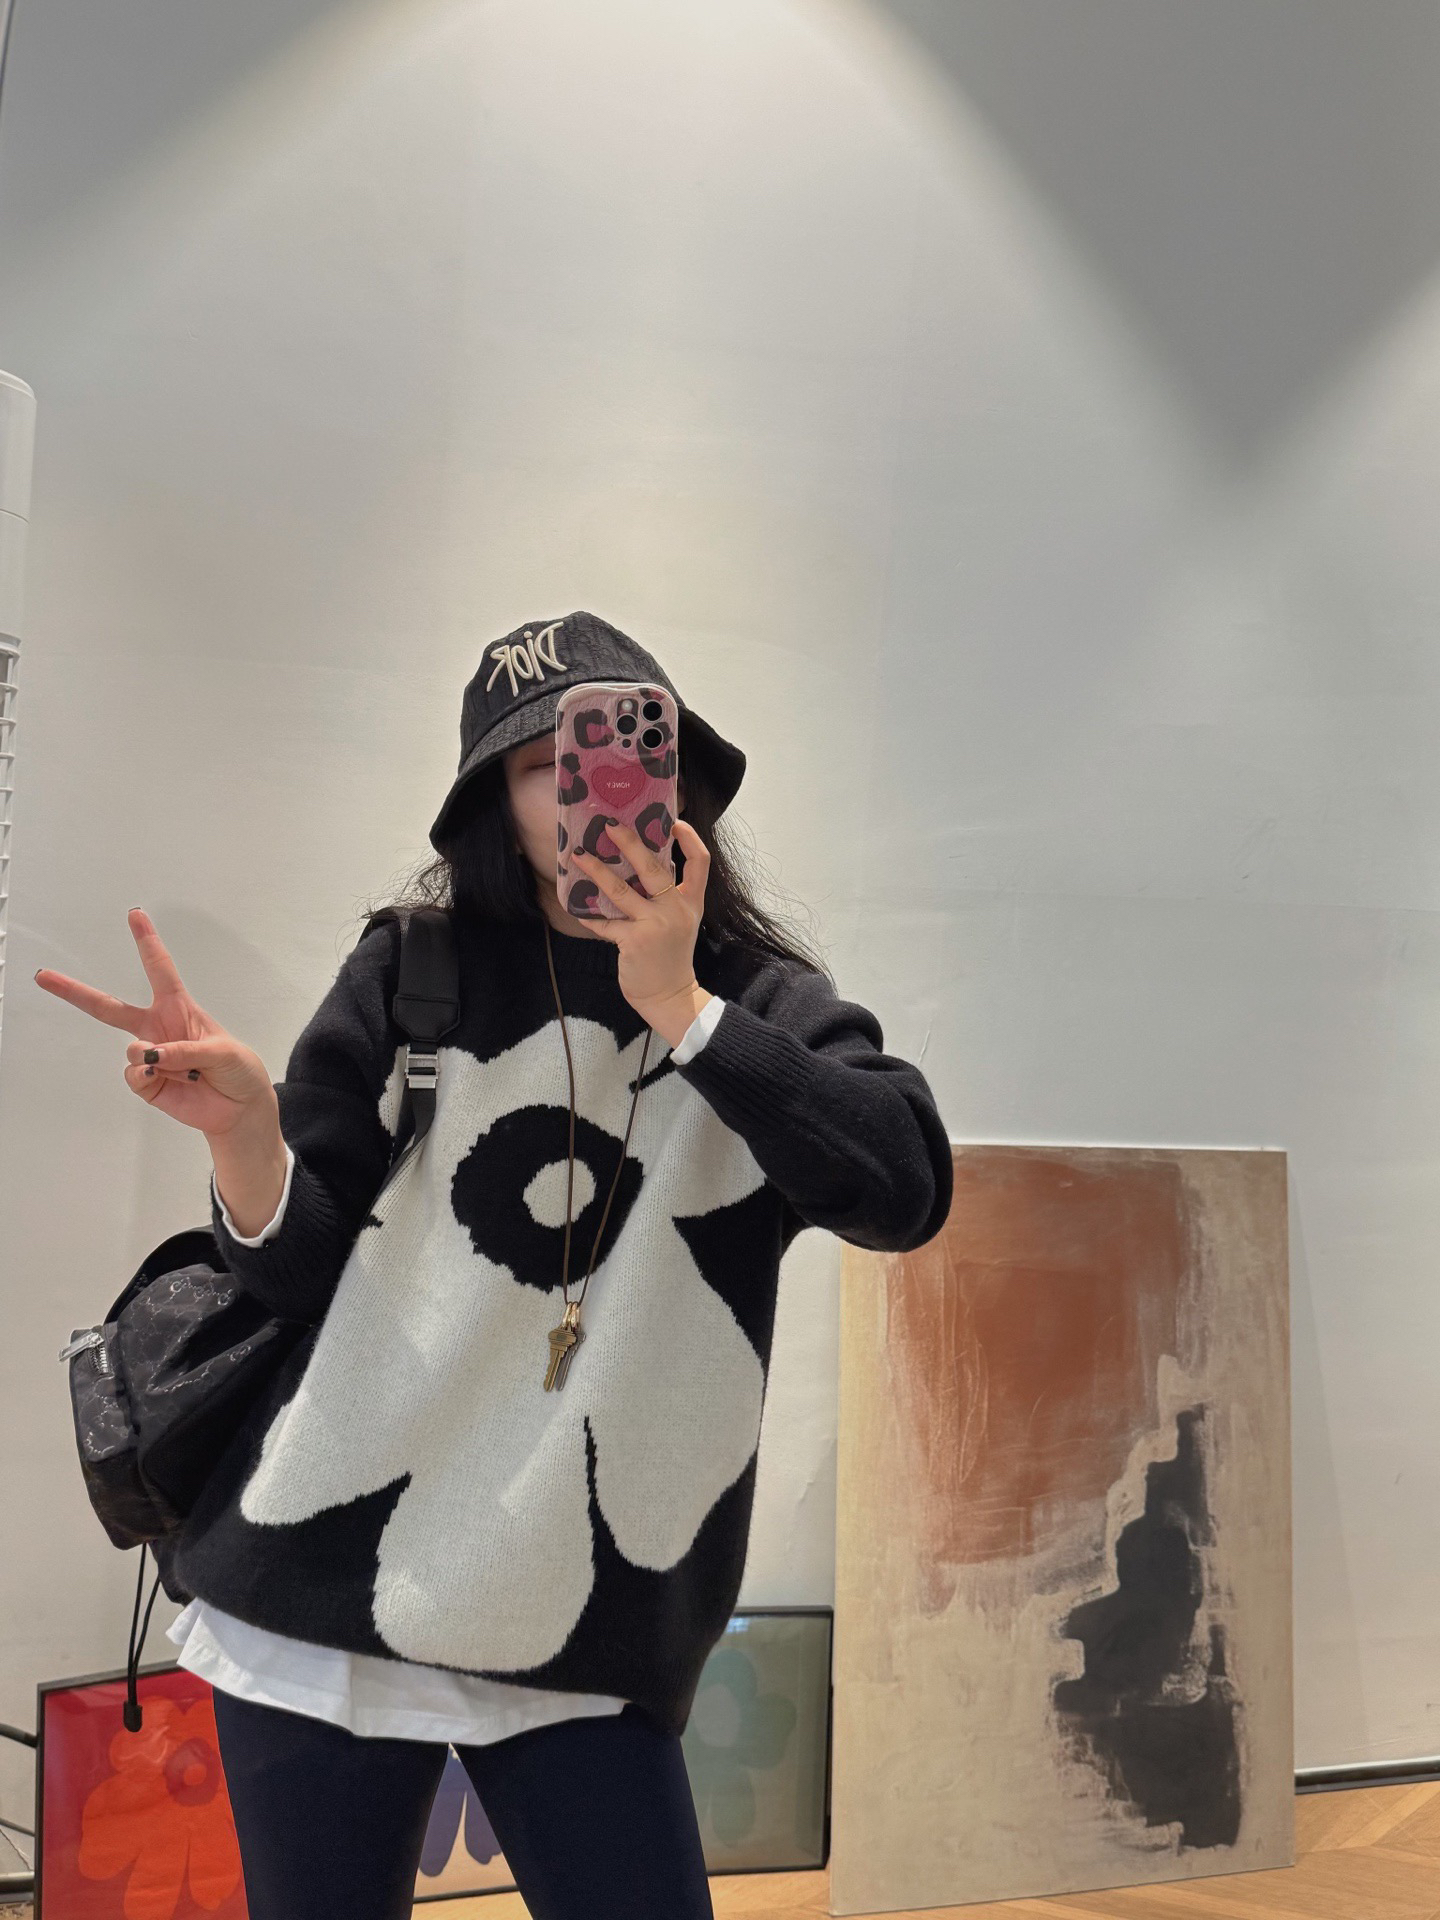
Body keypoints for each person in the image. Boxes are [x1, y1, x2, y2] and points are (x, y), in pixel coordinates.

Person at [36, 610, 953, 1920]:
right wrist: (244, 1135)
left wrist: (683, 1010)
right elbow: (296, 1270)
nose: (588, 792)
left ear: (679, 779)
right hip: (322, 1587)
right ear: (492, 804)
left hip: (585, 1617)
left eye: (626, 751)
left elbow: (903, 1191)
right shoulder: (415, 969)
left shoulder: (755, 1003)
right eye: (543, 765)